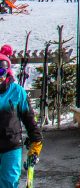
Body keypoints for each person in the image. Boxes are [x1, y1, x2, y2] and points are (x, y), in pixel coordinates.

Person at [0, 51, 42, 188]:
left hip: (11, 145)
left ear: (7, 71)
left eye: (1, 71)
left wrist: (36, 140)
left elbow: (29, 118)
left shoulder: (17, 92)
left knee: (9, 182)